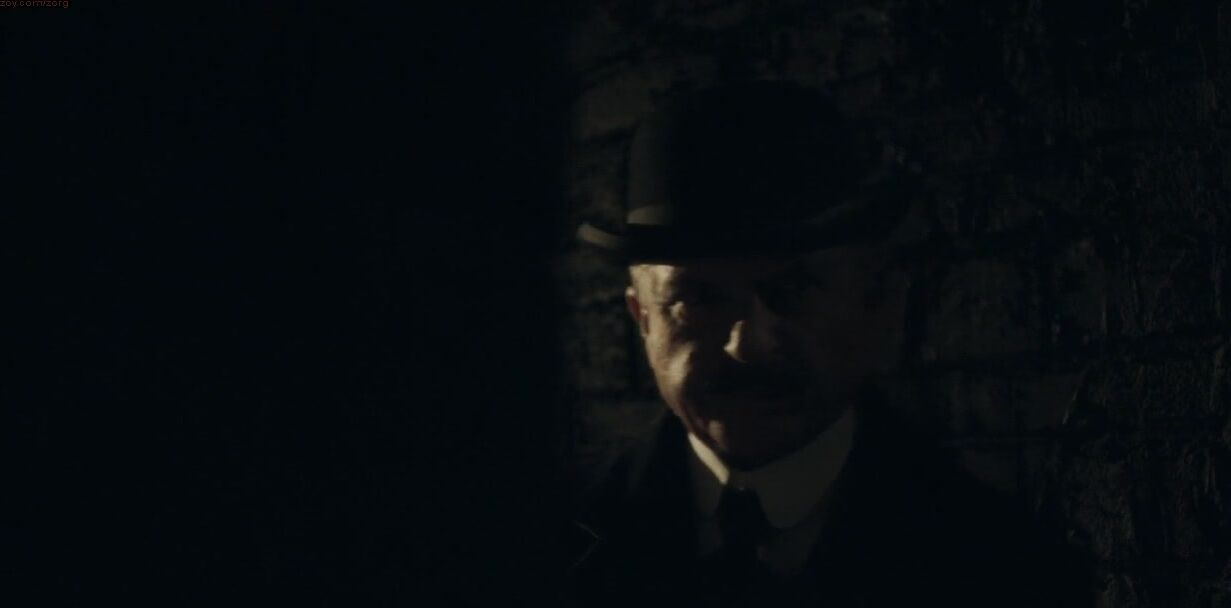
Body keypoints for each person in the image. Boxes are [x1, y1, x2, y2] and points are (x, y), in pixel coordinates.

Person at [567, 82, 1089, 607]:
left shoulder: (1007, 570)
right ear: (642, 317)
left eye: (794, 289)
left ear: (876, 301)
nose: (746, 346)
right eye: (699, 298)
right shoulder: (552, 553)